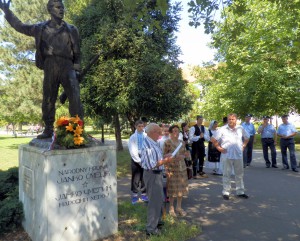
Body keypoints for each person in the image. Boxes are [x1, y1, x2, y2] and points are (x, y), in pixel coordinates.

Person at [0, 0, 84, 139]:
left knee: (75, 97)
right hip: (50, 65)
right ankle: (48, 129)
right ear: (50, 10)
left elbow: (77, 51)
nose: (61, 10)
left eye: (62, 7)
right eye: (58, 7)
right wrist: (8, 12)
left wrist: (77, 68)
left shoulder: (72, 29)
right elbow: (21, 26)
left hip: (67, 65)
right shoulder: (41, 28)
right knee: (48, 99)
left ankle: (78, 130)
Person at [140, 123, 174, 236]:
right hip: (152, 174)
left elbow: (156, 159)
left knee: (159, 199)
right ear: (152, 132)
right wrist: (166, 161)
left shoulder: (153, 143)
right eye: (158, 132)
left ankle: (157, 222)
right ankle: (151, 230)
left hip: (157, 174)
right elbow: (152, 164)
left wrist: (164, 157)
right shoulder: (147, 145)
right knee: (154, 202)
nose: (160, 134)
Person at [210, 113, 250, 200]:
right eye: (229, 119)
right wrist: (219, 148)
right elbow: (213, 139)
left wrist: (243, 146)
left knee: (239, 174)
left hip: (238, 155)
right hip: (226, 154)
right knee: (226, 174)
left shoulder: (240, 128)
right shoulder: (223, 129)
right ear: (227, 120)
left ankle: (240, 192)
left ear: (236, 119)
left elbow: (247, 137)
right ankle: (226, 192)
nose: (231, 121)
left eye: (233, 119)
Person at [163, 125, 189, 217]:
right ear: (170, 133)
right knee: (172, 188)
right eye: (173, 131)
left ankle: (179, 207)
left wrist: (184, 156)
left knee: (181, 188)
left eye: (177, 131)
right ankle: (171, 207)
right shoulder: (167, 142)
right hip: (172, 168)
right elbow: (164, 156)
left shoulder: (182, 142)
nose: (176, 133)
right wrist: (166, 168)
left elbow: (185, 153)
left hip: (182, 168)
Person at [128, 120, 148, 204]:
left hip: (145, 158)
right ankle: (135, 195)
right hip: (136, 158)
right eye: (139, 126)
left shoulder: (146, 136)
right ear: (136, 126)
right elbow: (132, 150)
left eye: (142, 126)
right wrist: (138, 160)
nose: (141, 128)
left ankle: (144, 194)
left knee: (144, 176)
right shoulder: (133, 137)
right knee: (136, 177)